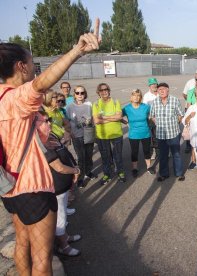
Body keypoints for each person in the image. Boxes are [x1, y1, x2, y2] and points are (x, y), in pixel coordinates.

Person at [0, 19, 99, 275]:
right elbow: (41, 84)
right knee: (42, 258)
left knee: (22, 243)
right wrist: (77, 51)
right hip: (32, 186)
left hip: (9, 186)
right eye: (32, 62)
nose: (34, 68)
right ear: (21, 66)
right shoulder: (15, 97)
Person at [40, 111, 82, 257]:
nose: (49, 123)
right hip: (56, 186)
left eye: (49, 119)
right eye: (44, 121)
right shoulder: (42, 143)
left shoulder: (50, 136)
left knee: (63, 214)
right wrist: (75, 170)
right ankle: (64, 246)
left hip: (64, 185)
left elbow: (65, 153)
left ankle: (64, 237)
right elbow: (59, 167)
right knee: (60, 217)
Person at [150, 82, 185, 182]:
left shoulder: (175, 100)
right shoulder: (155, 102)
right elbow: (152, 115)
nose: (161, 91)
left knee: (176, 154)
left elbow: (180, 114)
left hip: (173, 133)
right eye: (159, 89)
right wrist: (157, 123)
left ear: (168, 90)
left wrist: (176, 123)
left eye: (163, 89)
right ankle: (164, 174)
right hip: (161, 135)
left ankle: (179, 173)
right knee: (163, 155)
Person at [93, 83, 126, 184]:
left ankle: (120, 172)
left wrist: (103, 117)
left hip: (116, 133)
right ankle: (107, 174)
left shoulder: (116, 102)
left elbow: (119, 117)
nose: (104, 92)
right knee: (105, 156)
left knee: (118, 155)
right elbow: (96, 121)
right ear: (98, 93)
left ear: (109, 90)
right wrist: (113, 118)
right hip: (102, 135)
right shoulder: (96, 104)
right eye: (101, 90)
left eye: (106, 89)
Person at [66, 85, 96, 188]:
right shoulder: (70, 106)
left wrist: (93, 128)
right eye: (77, 93)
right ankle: (80, 177)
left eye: (82, 93)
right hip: (77, 136)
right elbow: (67, 121)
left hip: (88, 134)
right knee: (81, 157)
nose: (80, 95)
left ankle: (88, 172)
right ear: (74, 94)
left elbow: (92, 118)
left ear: (85, 94)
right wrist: (70, 133)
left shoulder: (89, 104)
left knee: (89, 155)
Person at [122, 89, 155, 177]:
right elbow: (118, 116)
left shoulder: (145, 107)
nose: (136, 97)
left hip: (145, 133)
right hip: (133, 134)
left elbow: (151, 116)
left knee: (147, 151)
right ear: (131, 97)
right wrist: (126, 122)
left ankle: (148, 167)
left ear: (140, 97)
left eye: (138, 95)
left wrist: (152, 122)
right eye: (134, 95)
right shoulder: (127, 108)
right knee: (134, 152)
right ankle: (135, 168)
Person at [143, 77, 159, 160]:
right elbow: (145, 110)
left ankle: (165, 151)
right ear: (149, 86)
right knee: (153, 137)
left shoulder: (161, 92)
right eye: (152, 84)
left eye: (155, 83)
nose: (154, 85)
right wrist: (151, 118)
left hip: (162, 118)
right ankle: (154, 152)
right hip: (151, 119)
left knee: (164, 136)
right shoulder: (146, 96)